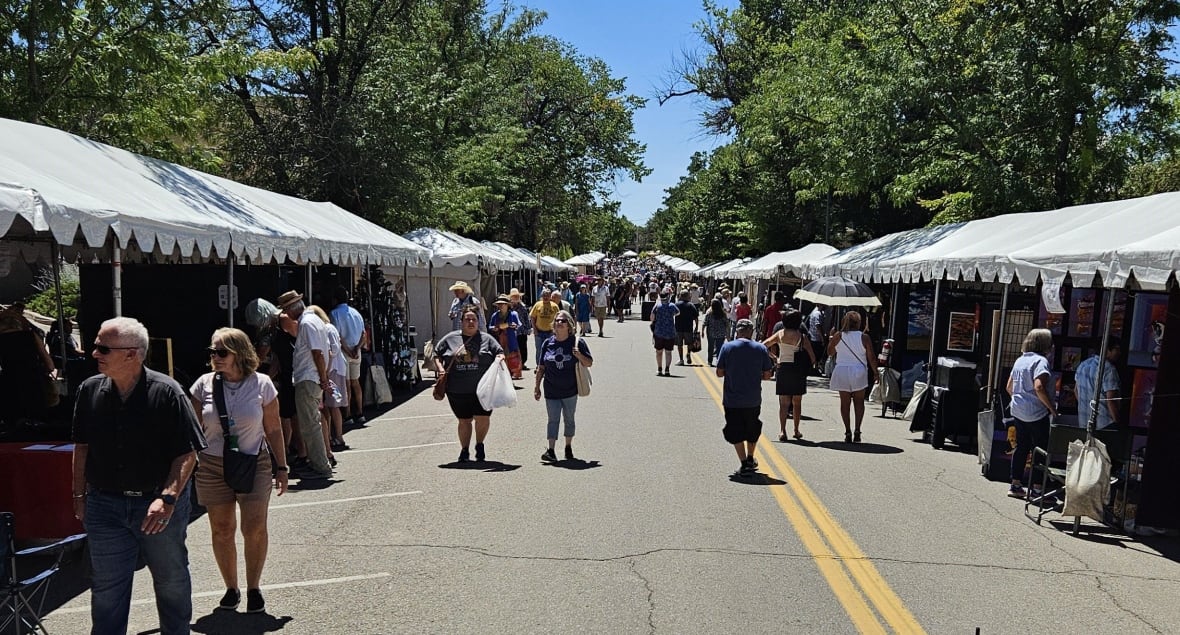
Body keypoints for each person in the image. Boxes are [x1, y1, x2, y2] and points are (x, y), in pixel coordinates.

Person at [71, 317, 206, 635]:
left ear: (132, 354)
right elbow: (82, 448)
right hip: (104, 505)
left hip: (158, 506)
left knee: (171, 581)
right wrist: (78, 496)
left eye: (103, 347)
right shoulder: (88, 390)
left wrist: (168, 498)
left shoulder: (168, 392)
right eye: (96, 345)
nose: (94, 353)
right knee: (106, 589)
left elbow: (188, 452)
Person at [189, 328, 288, 615]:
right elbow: (192, 430)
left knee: (254, 528)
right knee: (221, 529)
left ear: (239, 353)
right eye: (212, 352)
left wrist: (282, 467)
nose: (215, 358)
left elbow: (273, 427)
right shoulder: (203, 385)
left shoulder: (262, 384)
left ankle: (254, 587)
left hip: (253, 462)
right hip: (212, 464)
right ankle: (231, 588)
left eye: (222, 352)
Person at [433, 307, 505, 462]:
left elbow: (499, 352)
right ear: (461, 322)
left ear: (478, 322)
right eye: (467, 319)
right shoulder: (450, 339)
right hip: (457, 390)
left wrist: (500, 357)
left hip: (483, 390)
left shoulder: (487, 339)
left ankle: (479, 445)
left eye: (474, 319)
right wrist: (440, 369)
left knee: (483, 418)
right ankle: (464, 450)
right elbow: (436, 354)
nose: (471, 322)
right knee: (464, 420)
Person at [276, 291, 333, 480]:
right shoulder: (313, 321)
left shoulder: (307, 323)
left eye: (285, 309)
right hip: (311, 377)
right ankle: (318, 462)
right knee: (310, 423)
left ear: (292, 309)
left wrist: (323, 378)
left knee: (309, 425)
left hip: (308, 378)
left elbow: (318, 353)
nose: (285, 314)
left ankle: (320, 466)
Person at [716, 319, 775, 477]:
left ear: (738, 331)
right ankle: (750, 457)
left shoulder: (727, 347)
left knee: (735, 429)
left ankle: (743, 462)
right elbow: (768, 375)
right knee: (752, 428)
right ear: (751, 332)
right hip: (753, 398)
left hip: (732, 399)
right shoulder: (761, 348)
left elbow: (719, 372)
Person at [534, 310, 593, 462]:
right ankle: (551, 450)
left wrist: (579, 355)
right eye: (557, 321)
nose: (560, 323)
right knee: (552, 419)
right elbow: (541, 367)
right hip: (551, 389)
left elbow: (589, 363)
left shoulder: (577, 342)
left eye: (563, 321)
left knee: (569, 419)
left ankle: (568, 446)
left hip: (570, 390)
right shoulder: (548, 343)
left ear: (569, 325)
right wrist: (537, 387)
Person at [1005, 328, 1057, 498]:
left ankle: (1015, 485)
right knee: (1039, 450)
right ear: (1045, 345)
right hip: (1036, 412)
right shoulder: (1041, 361)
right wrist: (1051, 408)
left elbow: (1009, 387)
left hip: (1018, 411)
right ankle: (1036, 488)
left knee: (1021, 447)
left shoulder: (1020, 360)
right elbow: (1039, 386)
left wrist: (1020, 400)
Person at [763, 310, 817, 441]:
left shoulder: (780, 334)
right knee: (797, 402)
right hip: (797, 370)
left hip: (783, 368)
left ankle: (782, 431)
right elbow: (812, 356)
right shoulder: (802, 337)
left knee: (783, 403)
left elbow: (763, 346)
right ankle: (796, 430)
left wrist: (775, 358)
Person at [827, 312, 878, 443]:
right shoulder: (864, 337)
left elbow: (830, 352)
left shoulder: (838, 335)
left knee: (845, 403)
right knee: (859, 402)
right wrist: (875, 372)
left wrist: (831, 339)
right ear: (859, 323)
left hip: (842, 370)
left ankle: (847, 430)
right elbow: (871, 357)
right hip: (858, 371)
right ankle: (857, 430)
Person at [310, 305, 349, 457]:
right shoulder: (327, 328)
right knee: (329, 405)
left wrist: (326, 370)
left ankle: (338, 436)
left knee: (333, 405)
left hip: (333, 370)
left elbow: (333, 350)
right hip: (333, 369)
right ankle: (334, 436)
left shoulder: (327, 328)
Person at [330, 286, 367, 427]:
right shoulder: (356, 313)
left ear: (335, 299)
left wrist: (347, 349)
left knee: (346, 384)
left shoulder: (334, 314)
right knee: (355, 382)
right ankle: (360, 412)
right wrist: (357, 348)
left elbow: (337, 337)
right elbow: (364, 334)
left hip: (344, 352)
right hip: (356, 350)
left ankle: (348, 414)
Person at [1075, 341, 1121, 430]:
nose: (1119, 353)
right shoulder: (1108, 369)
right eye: (1117, 349)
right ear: (1107, 350)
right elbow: (1111, 400)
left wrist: (1087, 406)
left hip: (1084, 422)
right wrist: (1117, 422)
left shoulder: (1083, 365)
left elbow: (1076, 391)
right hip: (1105, 423)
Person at [488, 294, 524, 380]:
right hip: (499, 341)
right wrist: (495, 328)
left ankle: (510, 379)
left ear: (507, 305)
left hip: (511, 340)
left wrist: (514, 326)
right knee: (500, 360)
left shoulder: (513, 314)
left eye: (502, 304)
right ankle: (504, 380)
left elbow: (519, 325)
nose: (500, 306)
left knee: (512, 360)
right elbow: (490, 327)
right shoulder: (495, 315)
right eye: (499, 304)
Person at [651, 291, 679, 376]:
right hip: (670, 332)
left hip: (659, 331)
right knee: (668, 352)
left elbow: (652, 317)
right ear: (668, 297)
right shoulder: (672, 305)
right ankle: (667, 369)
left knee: (658, 351)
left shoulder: (657, 305)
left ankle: (659, 368)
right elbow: (678, 312)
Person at [529, 290, 560, 367]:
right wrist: (534, 329)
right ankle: (539, 366)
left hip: (550, 332)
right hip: (539, 332)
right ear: (541, 296)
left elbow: (558, 318)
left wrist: (556, 330)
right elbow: (532, 317)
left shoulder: (555, 306)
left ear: (550, 297)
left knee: (551, 349)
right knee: (539, 350)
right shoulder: (537, 305)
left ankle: (549, 366)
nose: (545, 297)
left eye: (547, 295)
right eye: (544, 295)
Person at [702, 298, 731, 367]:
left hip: (711, 333)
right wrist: (727, 334)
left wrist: (702, 331)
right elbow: (727, 324)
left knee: (710, 347)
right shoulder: (723, 314)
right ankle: (719, 360)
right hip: (721, 333)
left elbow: (705, 322)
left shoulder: (709, 313)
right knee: (719, 347)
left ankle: (710, 361)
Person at [674, 289, 700, 366]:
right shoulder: (691, 305)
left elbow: (672, 314)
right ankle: (688, 353)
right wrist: (696, 326)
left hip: (678, 327)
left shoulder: (677, 305)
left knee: (679, 344)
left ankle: (681, 359)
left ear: (681, 296)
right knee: (689, 343)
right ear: (687, 296)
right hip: (688, 327)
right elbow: (696, 317)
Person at [510, 288, 532, 370]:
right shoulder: (509, 307)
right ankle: (515, 364)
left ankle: (522, 363)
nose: (515, 299)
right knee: (514, 348)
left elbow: (526, 318)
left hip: (522, 331)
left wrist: (528, 328)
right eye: (513, 297)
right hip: (512, 331)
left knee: (523, 347)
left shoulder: (522, 307)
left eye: (516, 297)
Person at [808, 304, 828, 375]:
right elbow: (818, 326)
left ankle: (814, 369)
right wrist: (823, 338)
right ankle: (814, 369)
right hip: (816, 338)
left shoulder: (817, 312)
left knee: (816, 354)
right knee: (817, 355)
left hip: (814, 337)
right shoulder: (817, 313)